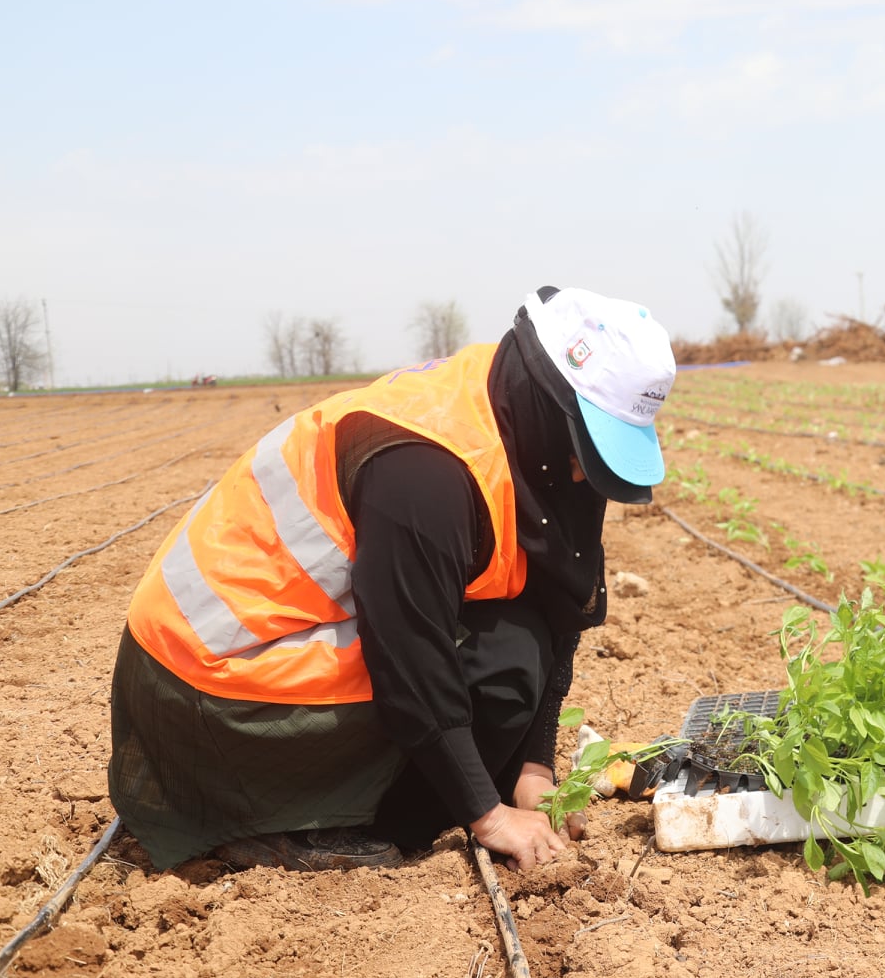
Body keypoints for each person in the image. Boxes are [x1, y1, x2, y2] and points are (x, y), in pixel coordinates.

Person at [108, 287, 675, 871]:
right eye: (588, 449)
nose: (585, 473)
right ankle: (309, 821)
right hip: (208, 688)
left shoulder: (515, 410)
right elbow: (410, 655)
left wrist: (534, 769)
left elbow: (554, 594)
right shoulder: (426, 472)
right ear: (549, 400)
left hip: (262, 647)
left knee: (518, 644)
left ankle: (405, 789)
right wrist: (489, 814)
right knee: (499, 665)